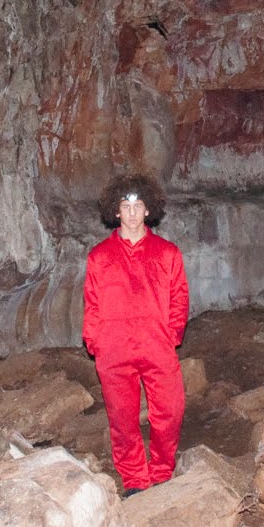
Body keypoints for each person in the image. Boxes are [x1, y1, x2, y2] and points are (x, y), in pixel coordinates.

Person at [82, 172, 189, 495]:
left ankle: (161, 472)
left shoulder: (167, 253)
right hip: (114, 350)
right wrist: (95, 342)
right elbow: (92, 303)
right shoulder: (99, 257)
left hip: (156, 345)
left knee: (169, 411)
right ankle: (135, 480)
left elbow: (180, 297)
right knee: (122, 419)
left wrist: (171, 334)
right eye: (125, 206)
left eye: (138, 206)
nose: (131, 213)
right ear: (115, 211)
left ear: (147, 210)